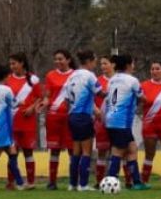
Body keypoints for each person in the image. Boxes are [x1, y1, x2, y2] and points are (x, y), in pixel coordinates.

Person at [103, 54, 148, 190]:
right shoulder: (132, 80)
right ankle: (110, 184)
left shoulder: (112, 80)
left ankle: (137, 182)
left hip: (111, 118)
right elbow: (143, 97)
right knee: (118, 151)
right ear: (129, 65)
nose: (133, 66)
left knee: (132, 148)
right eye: (133, 63)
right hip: (120, 121)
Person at [65, 50, 101, 191]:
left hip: (72, 116)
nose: (95, 64)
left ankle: (72, 184)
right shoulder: (89, 75)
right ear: (89, 61)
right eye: (95, 61)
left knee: (76, 151)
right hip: (83, 116)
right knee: (86, 151)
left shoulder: (71, 76)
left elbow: (67, 98)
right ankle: (84, 184)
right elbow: (100, 92)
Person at [7, 53, 41, 189]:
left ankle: (31, 182)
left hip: (27, 122)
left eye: (14, 63)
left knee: (28, 151)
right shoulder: (8, 80)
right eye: (10, 64)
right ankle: (11, 182)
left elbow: (40, 97)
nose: (12, 66)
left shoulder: (33, 79)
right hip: (11, 122)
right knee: (12, 152)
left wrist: (32, 108)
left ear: (22, 63)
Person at [43, 49, 75, 190]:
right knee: (54, 149)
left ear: (68, 60)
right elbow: (48, 94)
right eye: (56, 59)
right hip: (53, 116)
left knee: (72, 149)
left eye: (61, 59)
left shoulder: (75, 75)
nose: (58, 62)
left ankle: (73, 181)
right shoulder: (50, 75)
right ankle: (52, 181)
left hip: (70, 117)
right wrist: (45, 102)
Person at [140, 60, 161, 186]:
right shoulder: (143, 85)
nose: (154, 71)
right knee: (149, 154)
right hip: (149, 125)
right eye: (152, 69)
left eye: (157, 69)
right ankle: (144, 181)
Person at [93, 56, 114, 186]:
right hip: (101, 121)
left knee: (117, 151)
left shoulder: (119, 80)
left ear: (113, 65)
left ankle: (113, 179)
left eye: (105, 63)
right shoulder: (97, 81)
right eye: (101, 64)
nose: (103, 66)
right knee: (102, 151)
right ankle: (99, 181)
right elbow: (90, 98)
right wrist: (96, 110)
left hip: (116, 121)